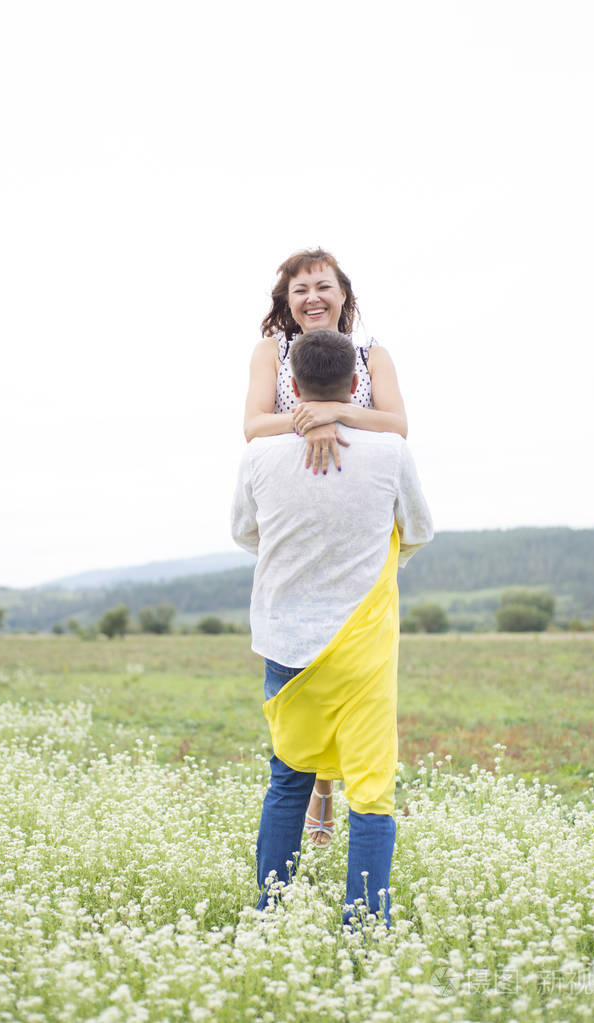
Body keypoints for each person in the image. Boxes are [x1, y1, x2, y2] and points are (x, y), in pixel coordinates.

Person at [232, 329, 433, 925]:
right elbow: (417, 528)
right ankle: (366, 924)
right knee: (370, 787)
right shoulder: (391, 451)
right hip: (362, 644)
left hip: (284, 637)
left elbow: (246, 533)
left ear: (290, 388)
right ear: (354, 387)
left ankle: (271, 912)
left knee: (288, 776)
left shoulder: (258, 455)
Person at [243, 247, 409, 846]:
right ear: (285, 304)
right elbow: (253, 424)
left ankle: (325, 800)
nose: (311, 297)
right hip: (300, 520)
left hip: (355, 527)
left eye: (323, 286)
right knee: (314, 673)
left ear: (344, 294)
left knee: (345, 674)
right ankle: (323, 800)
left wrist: (325, 411)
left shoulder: (372, 356)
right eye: (298, 290)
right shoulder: (273, 354)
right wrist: (304, 422)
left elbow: (396, 423)